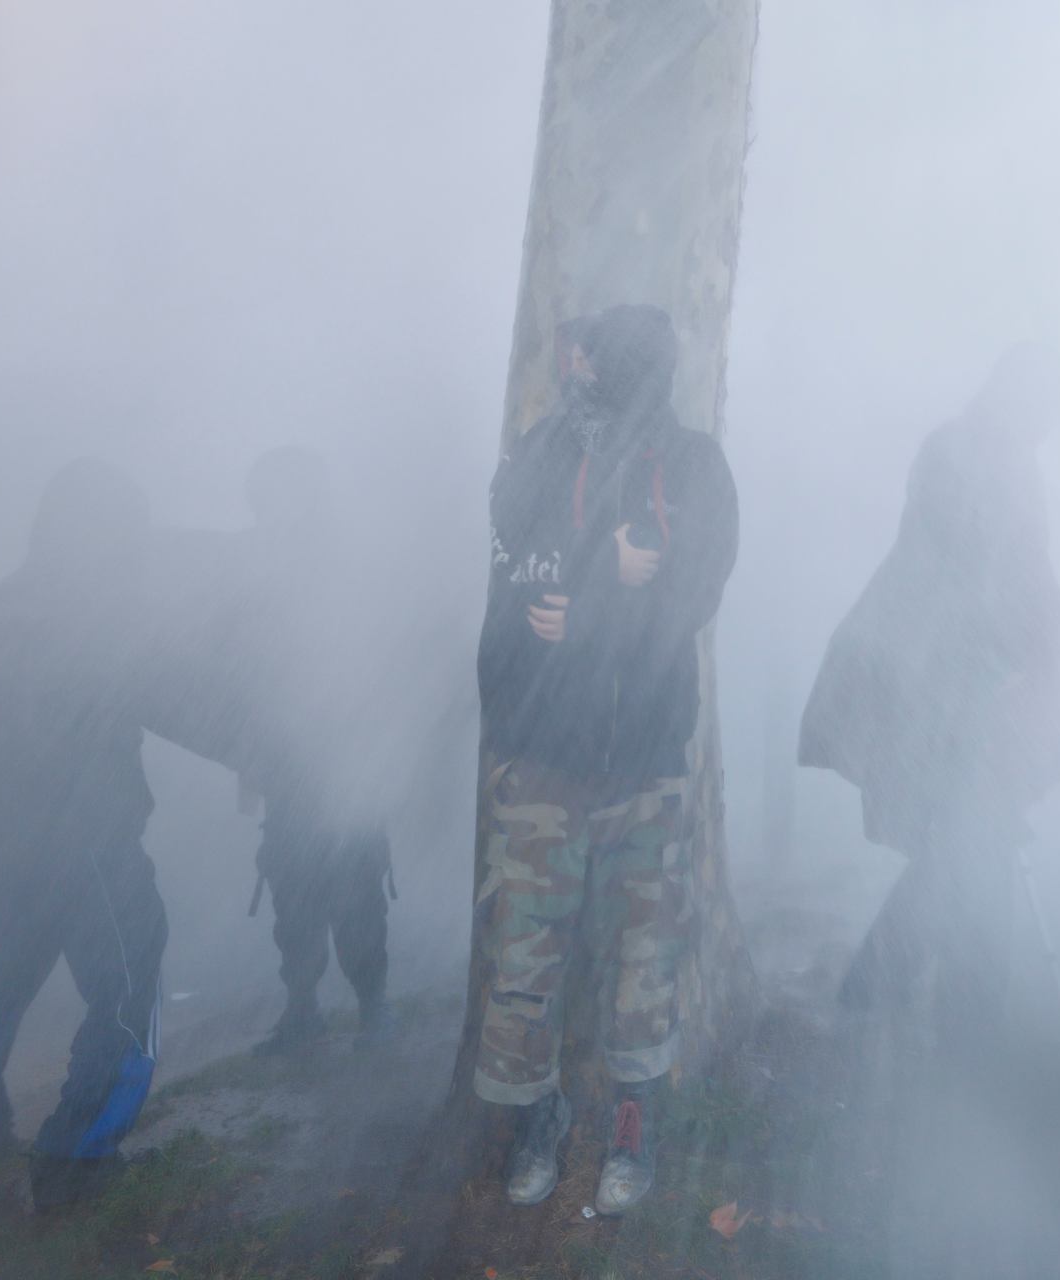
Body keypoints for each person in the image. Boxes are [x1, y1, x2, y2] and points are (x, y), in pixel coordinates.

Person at [474, 304, 737, 1216]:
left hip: (645, 755)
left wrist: (594, 612)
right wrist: (599, 583)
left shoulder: (694, 466)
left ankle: (633, 1115)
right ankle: (534, 1113)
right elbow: (519, 573)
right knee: (526, 953)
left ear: (621, 365)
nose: (571, 363)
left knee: (645, 951)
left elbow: (694, 589)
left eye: (586, 353)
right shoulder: (538, 455)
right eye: (571, 350)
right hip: (544, 753)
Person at [799, 343, 1060, 1027]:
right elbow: (979, 567)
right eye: (1046, 403)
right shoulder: (961, 452)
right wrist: (1037, 645)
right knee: (972, 844)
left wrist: (1047, 652)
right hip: (935, 683)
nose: (1052, 419)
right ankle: (939, 1012)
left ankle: (898, 993)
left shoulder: (1005, 457)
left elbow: (1019, 571)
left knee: (972, 844)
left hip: (969, 681)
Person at [0, 459, 167, 1210]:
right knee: (130, 982)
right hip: (85, 837)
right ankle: (77, 1152)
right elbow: (138, 704)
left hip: (9, 838)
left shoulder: (7, 602)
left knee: (8, 968)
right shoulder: (88, 608)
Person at [235, 447, 393, 1054]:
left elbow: (375, 651)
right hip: (288, 761)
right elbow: (239, 661)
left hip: (348, 761)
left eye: (274, 496)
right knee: (293, 891)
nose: (266, 510)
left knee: (355, 890)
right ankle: (303, 1010)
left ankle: (373, 1009)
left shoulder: (347, 564)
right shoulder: (254, 564)